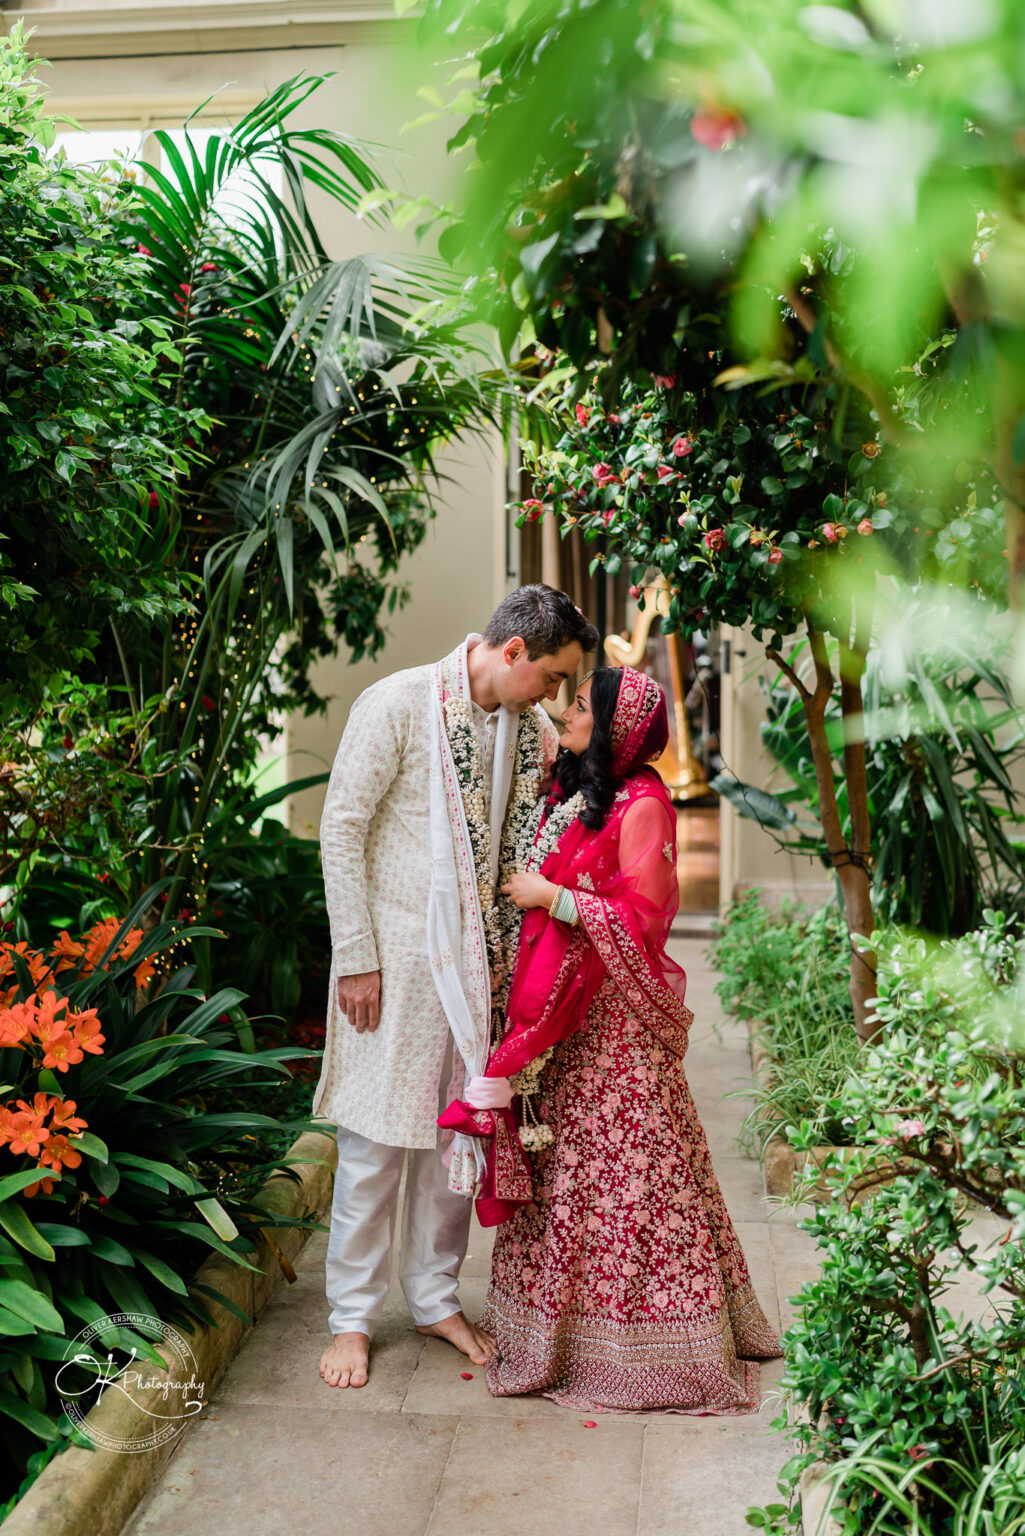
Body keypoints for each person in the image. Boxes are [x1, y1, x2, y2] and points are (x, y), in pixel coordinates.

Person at [439, 665, 782, 1414]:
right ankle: (556, 1332)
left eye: (580, 708)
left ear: (615, 728)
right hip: (566, 1014)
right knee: (565, 1170)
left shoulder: (646, 807)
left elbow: (644, 923)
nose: (563, 714)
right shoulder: (582, 794)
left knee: (631, 1173)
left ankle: (653, 1343)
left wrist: (554, 898)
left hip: (617, 1020)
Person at [314, 586, 599, 1390]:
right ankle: (351, 1318)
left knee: (457, 1140)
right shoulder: (400, 702)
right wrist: (355, 954)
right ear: (511, 652)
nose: (553, 697)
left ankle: (435, 1297)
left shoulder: (528, 727)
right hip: (395, 966)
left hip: (480, 970)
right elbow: (343, 826)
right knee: (373, 1147)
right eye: (549, 678)